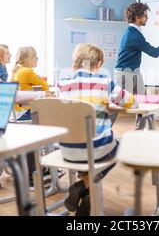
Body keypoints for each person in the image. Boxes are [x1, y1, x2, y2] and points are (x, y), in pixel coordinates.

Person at [58, 43, 137, 215]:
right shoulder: (104, 82)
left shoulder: (62, 84)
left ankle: (84, 188)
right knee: (122, 145)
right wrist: (105, 104)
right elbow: (130, 101)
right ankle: (85, 185)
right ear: (99, 63)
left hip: (66, 150)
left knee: (83, 139)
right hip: (97, 150)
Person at [115, 2, 159, 129]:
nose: (147, 18)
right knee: (115, 106)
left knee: (144, 104)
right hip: (124, 74)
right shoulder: (134, 35)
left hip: (135, 73)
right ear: (137, 17)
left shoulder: (133, 32)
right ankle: (100, 133)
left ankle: (145, 131)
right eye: (145, 16)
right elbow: (154, 53)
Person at [11, 46, 49, 121]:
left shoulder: (18, 70)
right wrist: (40, 78)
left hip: (17, 112)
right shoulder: (27, 72)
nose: (37, 59)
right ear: (28, 59)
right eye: (35, 56)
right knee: (51, 113)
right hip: (25, 112)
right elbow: (45, 87)